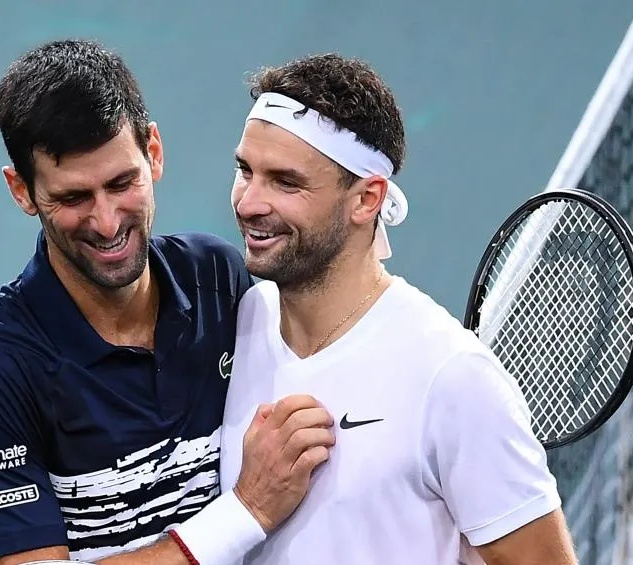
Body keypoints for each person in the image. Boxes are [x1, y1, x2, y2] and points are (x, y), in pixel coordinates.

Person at [0, 39, 336, 565]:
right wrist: (246, 511)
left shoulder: (217, 276)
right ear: (21, 190)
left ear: (154, 151)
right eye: (73, 198)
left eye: (122, 183)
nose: (106, 222)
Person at [219, 53, 579, 565]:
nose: (249, 202)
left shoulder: (453, 379)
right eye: (245, 170)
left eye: (286, 182)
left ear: (367, 199)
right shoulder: (238, 322)